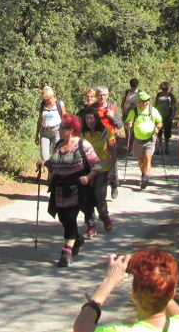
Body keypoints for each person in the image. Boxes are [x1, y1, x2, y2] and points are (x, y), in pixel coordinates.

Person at [41, 114, 98, 267]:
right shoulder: (59, 144)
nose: (60, 130)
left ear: (72, 129)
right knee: (63, 219)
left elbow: (97, 165)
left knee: (70, 219)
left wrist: (88, 177)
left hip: (77, 189)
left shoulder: (83, 145)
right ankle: (77, 239)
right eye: (60, 127)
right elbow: (54, 164)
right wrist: (44, 164)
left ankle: (66, 253)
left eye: (63, 128)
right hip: (59, 189)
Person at [81, 107, 114, 238]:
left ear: (96, 118)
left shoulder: (105, 132)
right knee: (86, 198)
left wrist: (112, 169)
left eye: (92, 118)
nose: (90, 121)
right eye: (87, 118)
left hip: (102, 169)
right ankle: (90, 225)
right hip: (87, 170)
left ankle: (104, 216)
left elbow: (113, 150)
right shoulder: (83, 134)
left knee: (99, 197)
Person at [125, 92, 162, 190]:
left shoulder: (152, 110)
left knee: (147, 158)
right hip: (138, 139)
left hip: (150, 138)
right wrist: (128, 124)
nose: (147, 103)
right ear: (138, 102)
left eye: (148, 101)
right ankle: (143, 174)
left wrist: (157, 128)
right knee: (141, 159)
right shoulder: (134, 112)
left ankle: (145, 177)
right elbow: (127, 123)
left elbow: (160, 122)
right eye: (144, 101)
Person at [94, 87, 123, 199]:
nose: (102, 97)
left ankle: (114, 185)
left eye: (104, 95)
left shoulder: (112, 107)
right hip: (96, 140)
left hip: (110, 139)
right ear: (97, 95)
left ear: (108, 95)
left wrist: (112, 117)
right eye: (100, 95)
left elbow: (119, 124)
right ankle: (98, 188)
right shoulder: (93, 108)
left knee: (112, 164)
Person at [35, 86, 66, 165]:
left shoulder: (59, 104)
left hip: (57, 131)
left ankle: (52, 175)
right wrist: (37, 135)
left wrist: (65, 133)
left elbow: (65, 118)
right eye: (45, 100)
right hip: (44, 132)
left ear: (52, 96)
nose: (47, 101)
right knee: (44, 156)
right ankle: (49, 170)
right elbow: (39, 120)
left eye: (48, 99)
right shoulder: (42, 105)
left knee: (56, 154)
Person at [153, 82, 176, 155]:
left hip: (168, 115)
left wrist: (172, 115)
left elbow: (174, 106)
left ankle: (166, 147)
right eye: (163, 89)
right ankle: (159, 148)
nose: (164, 91)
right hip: (159, 116)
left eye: (165, 89)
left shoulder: (171, 95)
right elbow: (156, 104)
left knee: (167, 132)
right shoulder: (159, 94)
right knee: (159, 132)